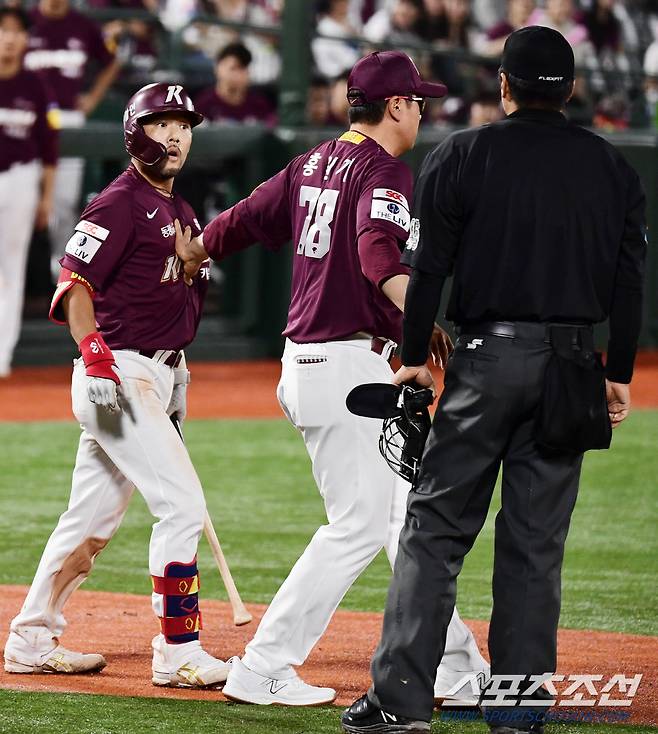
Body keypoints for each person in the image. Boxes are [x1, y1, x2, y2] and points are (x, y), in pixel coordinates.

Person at [342, 28, 646, 734]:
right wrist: (619, 372)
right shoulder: (612, 168)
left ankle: (401, 703)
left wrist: (415, 353)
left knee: (434, 532)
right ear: (570, 91)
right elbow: (630, 283)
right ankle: (517, 714)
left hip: (485, 362)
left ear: (503, 86)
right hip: (573, 367)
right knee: (535, 550)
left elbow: (429, 272)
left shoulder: (463, 152)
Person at [176, 50, 490, 707]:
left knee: (403, 523)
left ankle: (455, 665)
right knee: (358, 524)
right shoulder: (384, 170)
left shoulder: (310, 162)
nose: (423, 112)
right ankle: (263, 664)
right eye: (418, 101)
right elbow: (379, 255)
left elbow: (241, 221)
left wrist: (195, 248)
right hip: (347, 366)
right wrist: (429, 314)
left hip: (315, 364)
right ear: (397, 106)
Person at [4, 83, 229, 690]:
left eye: (184, 124)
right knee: (181, 506)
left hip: (153, 373)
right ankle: (178, 650)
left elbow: (174, 301)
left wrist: (176, 375)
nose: (176, 134)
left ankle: (29, 639)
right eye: (163, 123)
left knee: (89, 522)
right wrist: (96, 357)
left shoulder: (182, 212)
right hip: (116, 372)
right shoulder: (118, 202)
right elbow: (75, 287)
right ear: (136, 132)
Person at [24, 0, 121, 282]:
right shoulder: (23, 22)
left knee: (64, 200)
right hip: (26, 118)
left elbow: (113, 61)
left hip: (67, 117)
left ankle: (60, 272)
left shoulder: (84, 26)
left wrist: (92, 97)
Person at [0, 7, 58, 378]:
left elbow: (49, 148)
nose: (8, 38)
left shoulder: (36, 85)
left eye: (15, 32)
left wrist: (46, 197)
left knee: (10, 269)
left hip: (22, 176)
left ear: (26, 40)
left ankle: (1, 354)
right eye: (2, 30)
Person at [194, 42, 276, 127]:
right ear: (217, 68)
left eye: (243, 68)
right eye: (233, 68)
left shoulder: (260, 105)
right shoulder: (203, 104)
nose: (238, 74)